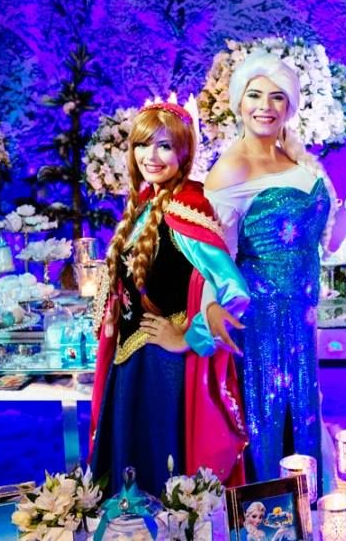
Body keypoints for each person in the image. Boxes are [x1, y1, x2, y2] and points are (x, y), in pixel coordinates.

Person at [204, 52, 346, 486]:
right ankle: (266, 508)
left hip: (302, 320)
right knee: (266, 419)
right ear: (238, 102)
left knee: (304, 415)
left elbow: (331, 240)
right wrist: (214, 311)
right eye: (255, 95)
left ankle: (305, 507)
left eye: (277, 97)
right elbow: (216, 260)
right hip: (259, 322)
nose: (265, 106)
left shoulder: (302, 165)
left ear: (290, 107)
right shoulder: (230, 169)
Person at [89, 102, 251, 496]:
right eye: (143, 145)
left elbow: (233, 290)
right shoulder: (145, 205)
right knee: (132, 488)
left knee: (161, 479)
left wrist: (187, 337)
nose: (151, 156)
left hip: (164, 371)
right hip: (131, 367)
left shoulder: (187, 208)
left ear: (183, 153)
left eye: (164, 146)